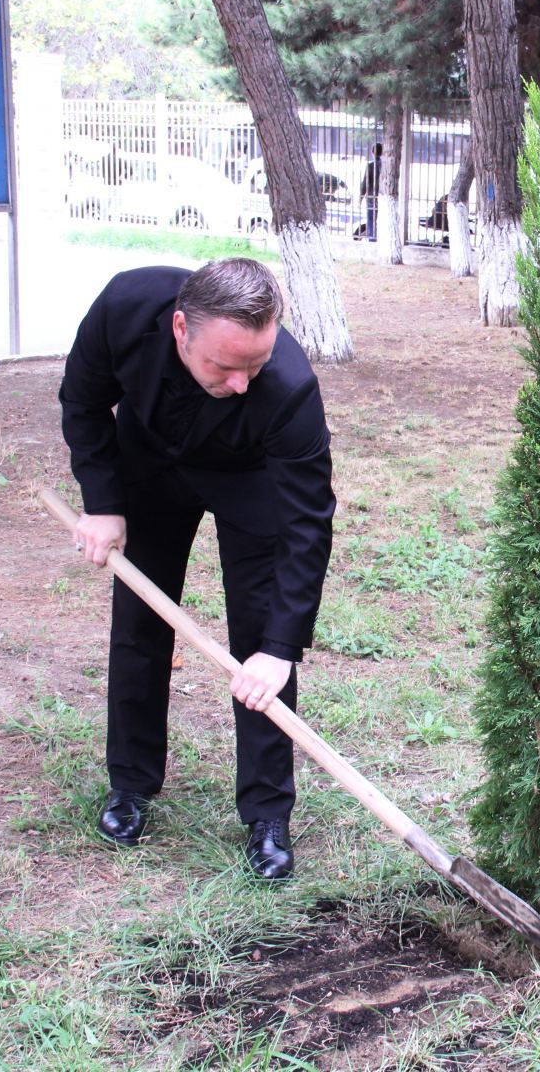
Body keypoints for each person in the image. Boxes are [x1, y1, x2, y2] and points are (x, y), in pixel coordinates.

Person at [59, 258, 335, 881]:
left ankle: (267, 814)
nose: (243, 383)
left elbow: (307, 523)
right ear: (181, 329)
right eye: (226, 366)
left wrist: (282, 646)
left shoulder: (288, 389)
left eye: (255, 365)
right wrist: (103, 502)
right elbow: (82, 398)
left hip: (249, 482)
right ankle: (130, 785)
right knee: (140, 624)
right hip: (149, 466)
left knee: (261, 648)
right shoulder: (126, 308)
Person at [359, 142, 383, 241]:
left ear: (372, 152)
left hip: (372, 198)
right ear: (382, 153)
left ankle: (372, 240)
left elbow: (365, 183)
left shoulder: (370, 166)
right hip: (383, 197)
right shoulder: (385, 166)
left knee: (371, 220)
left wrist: (360, 197)